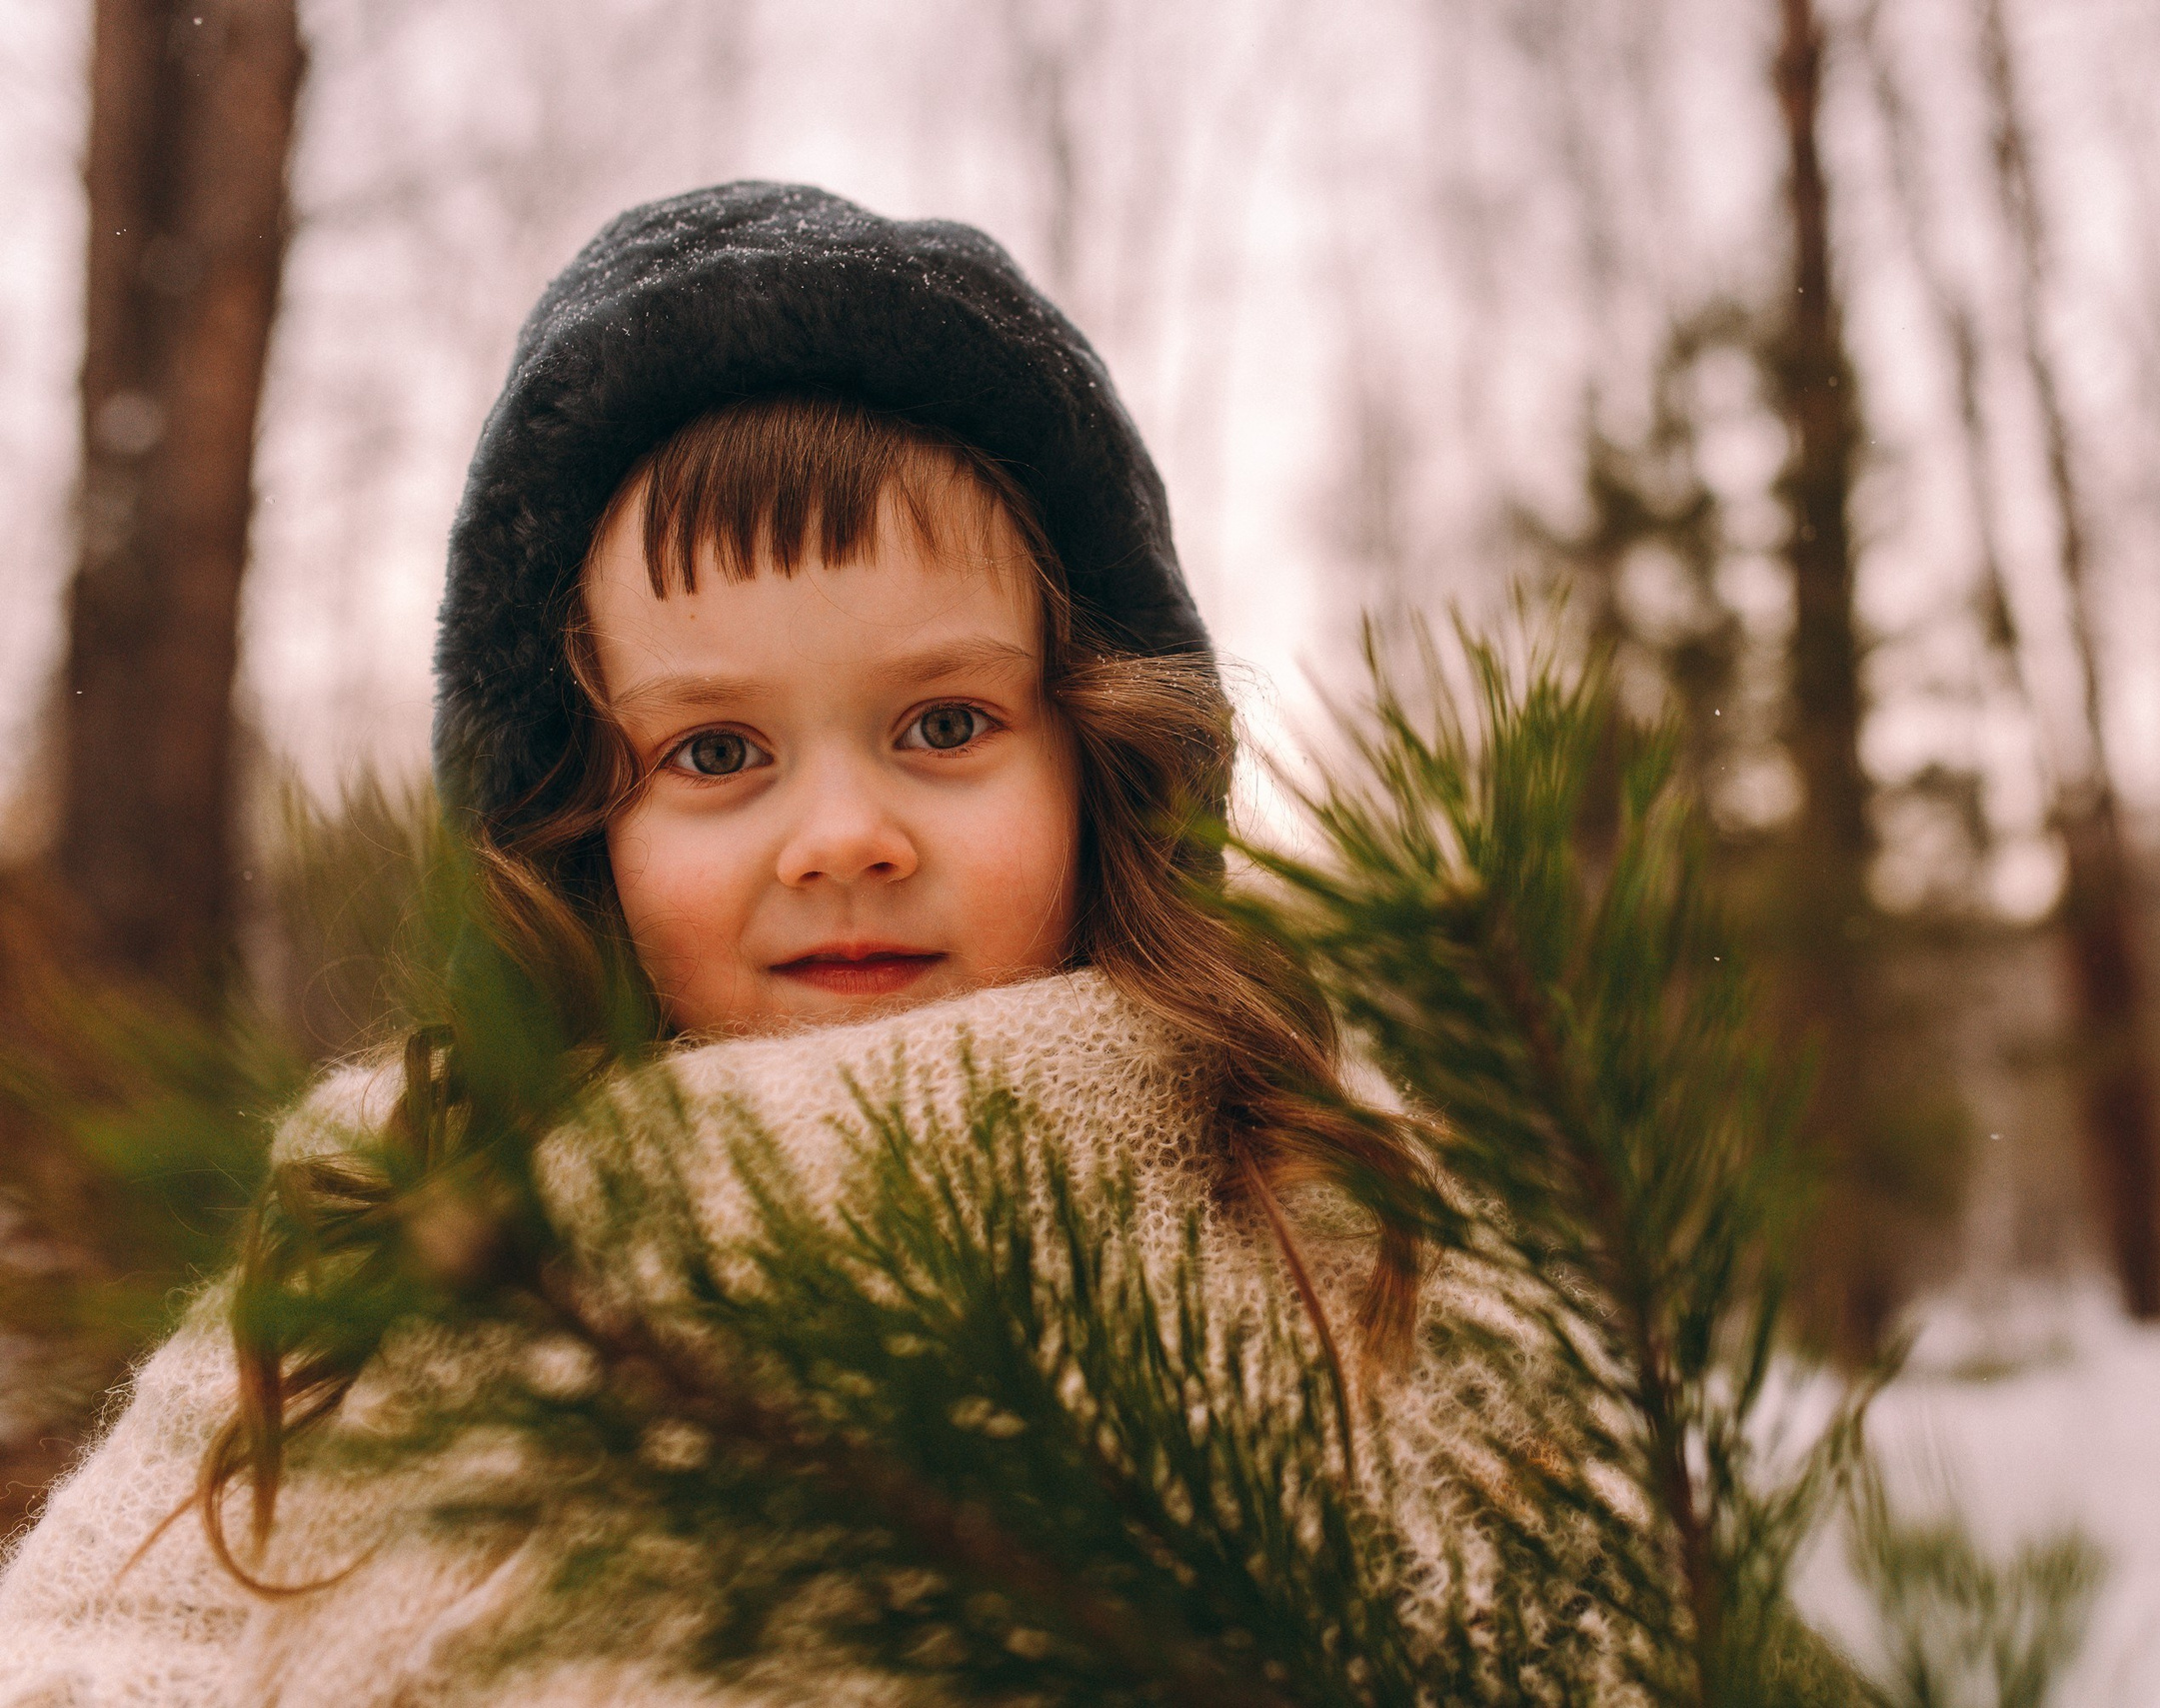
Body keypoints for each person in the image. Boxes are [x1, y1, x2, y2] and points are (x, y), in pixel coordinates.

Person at [0, 184, 1479, 1706]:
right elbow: (95, 1643)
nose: (842, 835)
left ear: (1099, 751)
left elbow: (1542, 1612)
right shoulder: (417, 1190)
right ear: (577, 819)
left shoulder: (1287, 1161)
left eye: (945, 724)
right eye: (715, 752)